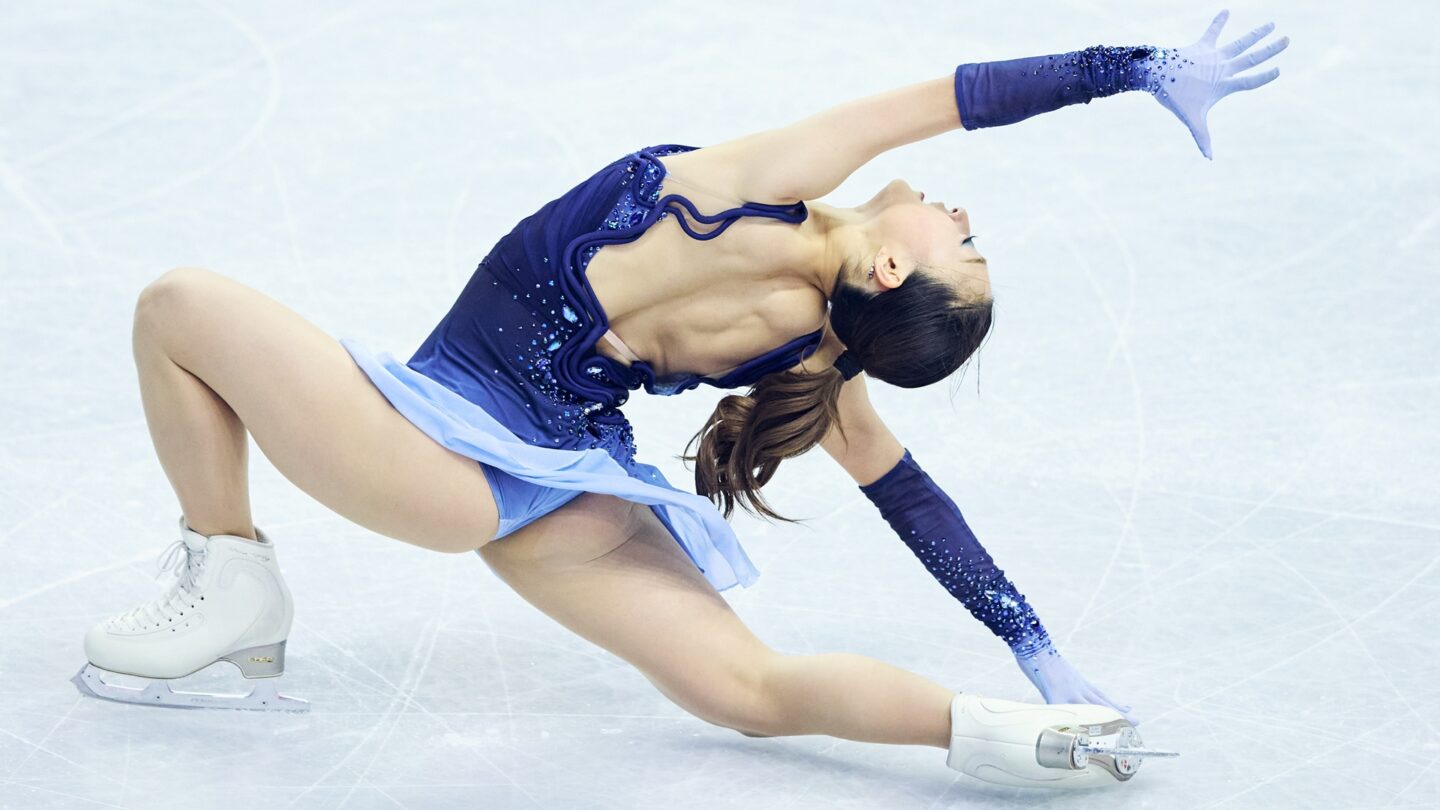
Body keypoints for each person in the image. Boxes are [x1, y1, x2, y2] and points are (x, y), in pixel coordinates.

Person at [74, 10, 1283, 789]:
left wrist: (1132, 68)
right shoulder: (814, 362)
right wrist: (1032, 648)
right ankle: (1015, 739)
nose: (962, 215)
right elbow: (912, 501)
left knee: (178, 305)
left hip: (441, 458)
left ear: (888, 266)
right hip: (564, 494)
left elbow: (951, 95)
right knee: (743, 692)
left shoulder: (762, 190)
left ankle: (232, 575)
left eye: (964, 245)